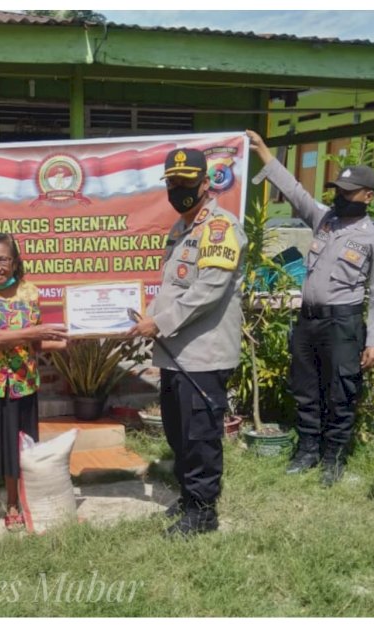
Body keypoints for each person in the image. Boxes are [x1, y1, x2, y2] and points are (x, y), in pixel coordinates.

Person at [246, 130, 374, 486]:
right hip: (309, 321)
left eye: (348, 193)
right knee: (306, 388)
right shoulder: (324, 220)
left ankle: (333, 457)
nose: (339, 197)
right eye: (337, 191)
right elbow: (296, 193)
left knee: (341, 392)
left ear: (367, 196)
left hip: (343, 324)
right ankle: (307, 450)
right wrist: (266, 154)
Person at [128, 148, 247, 537]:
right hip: (176, 355)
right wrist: (146, 316)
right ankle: (190, 497)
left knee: (200, 437)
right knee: (179, 433)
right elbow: (171, 289)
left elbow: (208, 290)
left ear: (205, 183)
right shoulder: (180, 229)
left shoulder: (220, 229)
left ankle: (203, 512)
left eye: (186, 182)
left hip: (205, 354)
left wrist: (157, 324)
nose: (179, 189)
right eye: (173, 183)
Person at [0, 233, 68, 533]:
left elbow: (35, 344)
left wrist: (73, 337)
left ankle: (15, 505)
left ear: (15, 261)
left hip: (21, 383)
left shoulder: (31, 292)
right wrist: (34, 333)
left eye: (3, 260)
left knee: (18, 449)